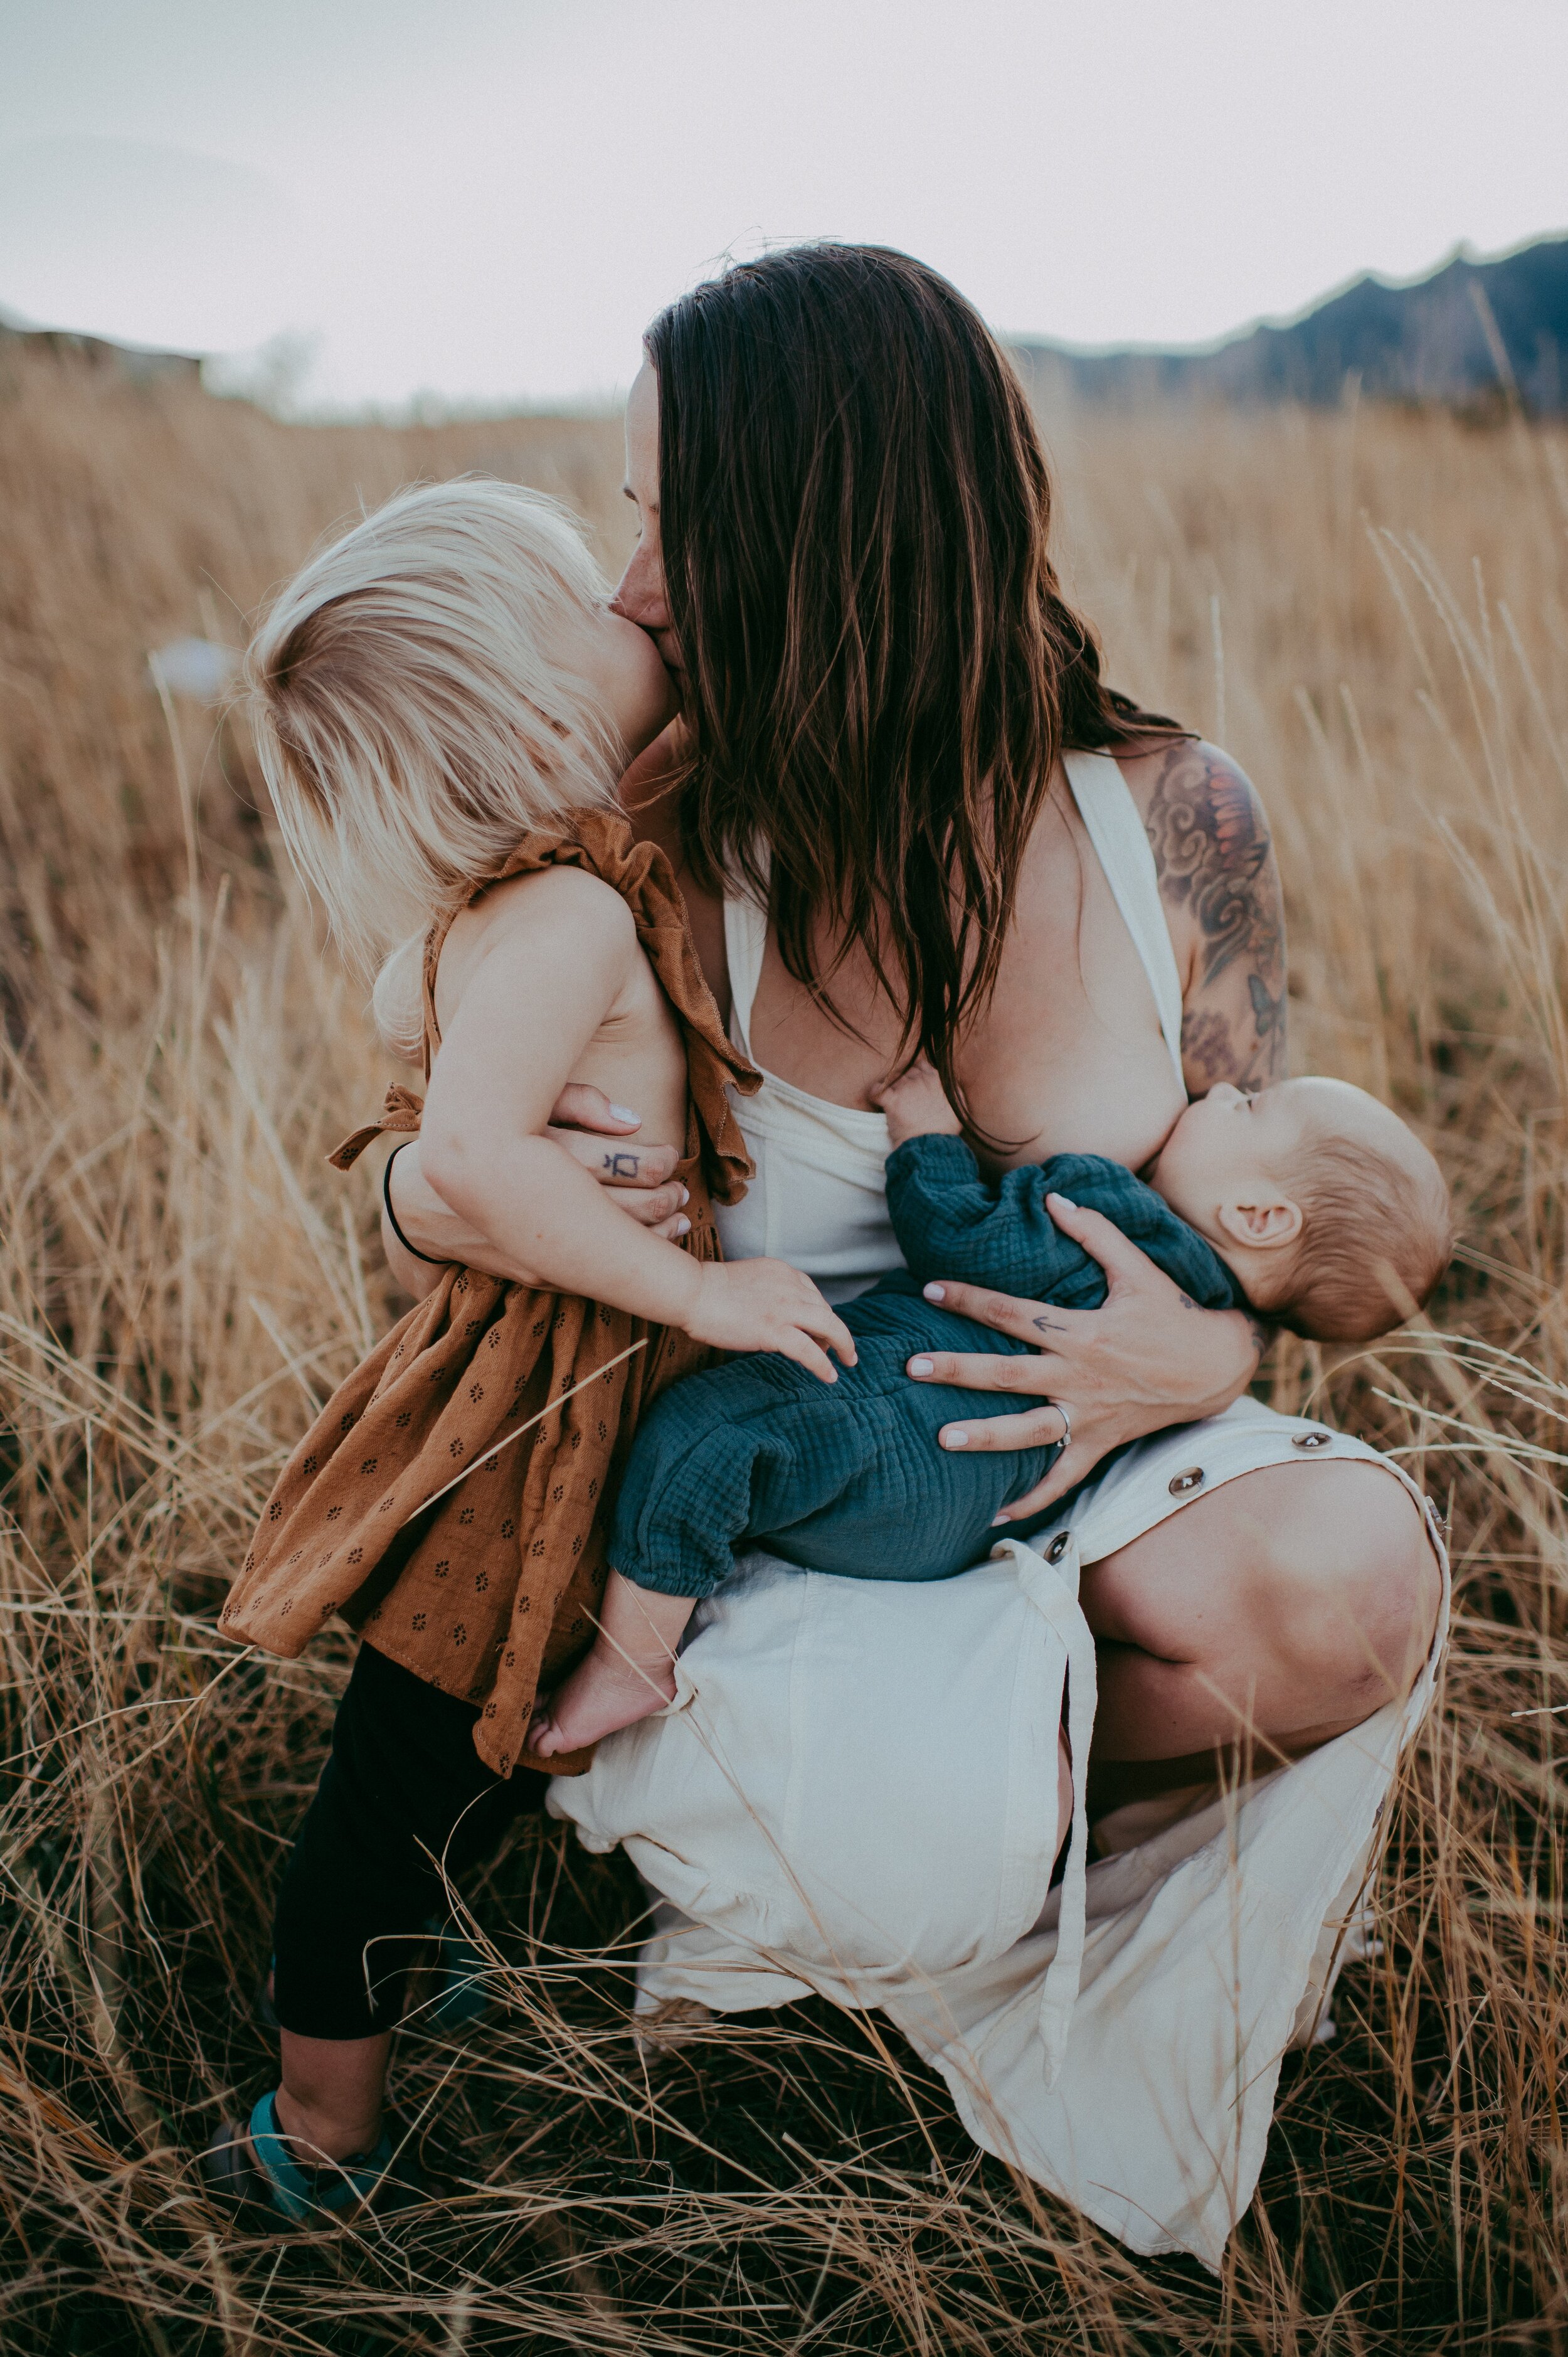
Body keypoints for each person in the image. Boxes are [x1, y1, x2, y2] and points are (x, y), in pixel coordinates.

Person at [380, 246, 1448, 2260]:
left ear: (819, 526)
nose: (628, 581)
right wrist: (429, 1194)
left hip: (1077, 1471)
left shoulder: (1170, 819)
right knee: (921, 1837)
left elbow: (1254, 1211)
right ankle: (876, 1830)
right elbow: (422, 1146)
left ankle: (1003, 1810)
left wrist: (1200, 1371)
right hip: (757, 1511)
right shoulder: (650, 824)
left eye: (664, 515)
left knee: (1346, 1581)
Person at [202, 479, 854, 2224]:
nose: (635, 603)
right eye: (587, 598)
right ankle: (315, 2125)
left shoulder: (541, 895)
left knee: (471, 1746)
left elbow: (417, 1038)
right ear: (526, 705)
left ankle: (394, 1964)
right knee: (405, 1761)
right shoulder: (561, 914)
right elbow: (475, 1156)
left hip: (567, 1405)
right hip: (530, 1423)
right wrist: (707, 1298)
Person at [529, 1067, 1452, 1756]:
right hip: (963, 1516)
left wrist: (927, 1143)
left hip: (898, 1418)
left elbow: (967, 1241)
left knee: (706, 1439)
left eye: (1249, 1103)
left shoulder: (1114, 1212)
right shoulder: (1198, 1311)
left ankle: (631, 1661)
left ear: (1258, 1214)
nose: (1221, 1087)